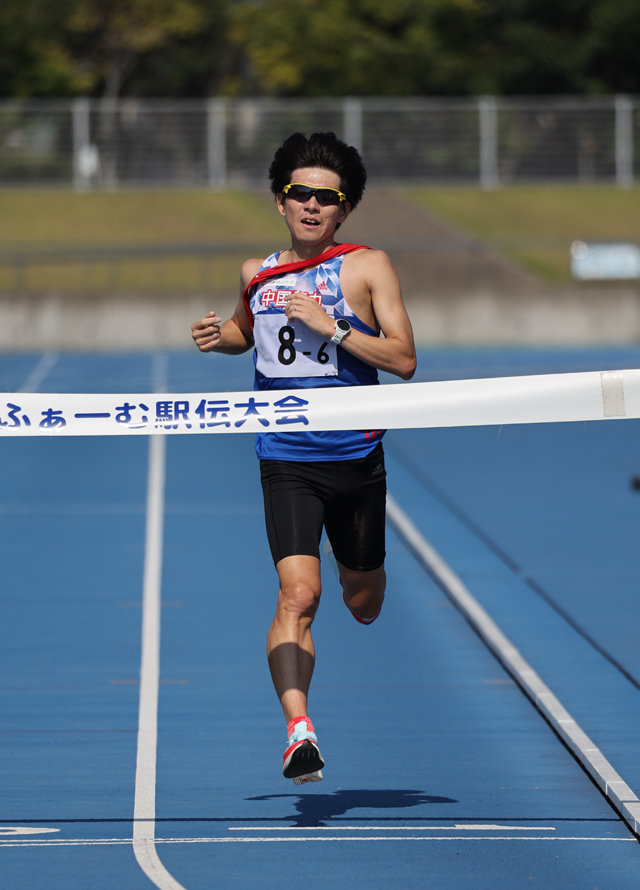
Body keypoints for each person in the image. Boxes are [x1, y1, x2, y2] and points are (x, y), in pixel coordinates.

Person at [191, 131, 416, 785]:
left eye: (327, 197)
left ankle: (362, 581)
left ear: (344, 209)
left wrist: (336, 328)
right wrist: (220, 337)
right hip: (286, 458)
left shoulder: (368, 266)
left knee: (364, 599)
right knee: (298, 593)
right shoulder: (256, 274)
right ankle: (299, 732)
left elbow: (403, 359)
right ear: (280, 201)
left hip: (357, 458)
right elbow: (248, 331)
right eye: (300, 194)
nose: (312, 206)